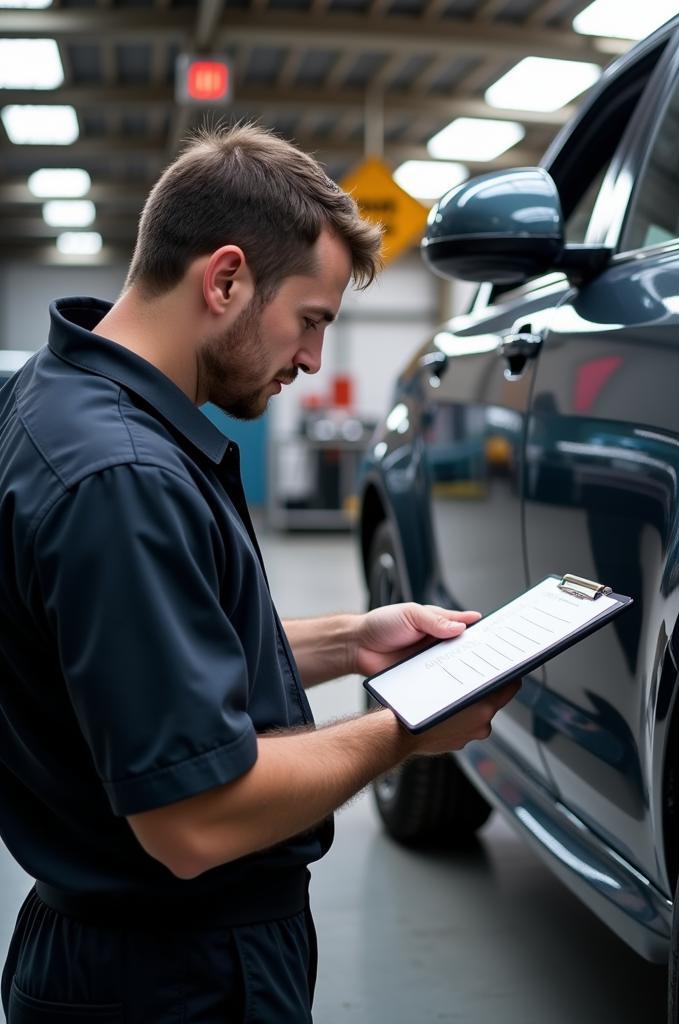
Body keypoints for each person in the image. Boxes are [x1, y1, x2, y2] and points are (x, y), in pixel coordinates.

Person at [0, 123, 518, 1022]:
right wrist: (405, 727)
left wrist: (353, 641)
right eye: (310, 322)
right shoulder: (123, 479)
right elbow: (196, 820)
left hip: (118, 957)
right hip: (173, 981)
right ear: (226, 278)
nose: (315, 361)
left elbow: (137, 657)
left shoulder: (52, 399)